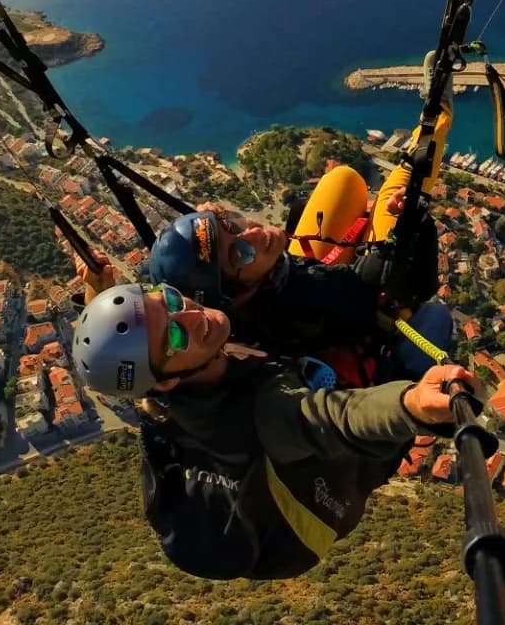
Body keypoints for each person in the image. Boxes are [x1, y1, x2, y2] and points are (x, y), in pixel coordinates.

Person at [70, 272, 473, 580]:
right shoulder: (264, 415)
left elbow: (130, 362)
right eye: (174, 334)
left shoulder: (159, 397)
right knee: (434, 316)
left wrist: (100, 295)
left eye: (171, 299)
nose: (191, 314)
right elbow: (336, 416)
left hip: (293, 397)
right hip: (349, 461)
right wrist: (413, 403)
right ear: (167, 380)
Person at [148, 187, 452, 381]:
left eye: (230, 224)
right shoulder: (309, 297)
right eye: (240, 253)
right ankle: (412, 375)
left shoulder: (231, 319)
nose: (252, 233)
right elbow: (395, 288)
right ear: (238, 295)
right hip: (363, 343)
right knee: (436, 315)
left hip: (314, 321)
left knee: (341, 181)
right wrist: (415, 226)